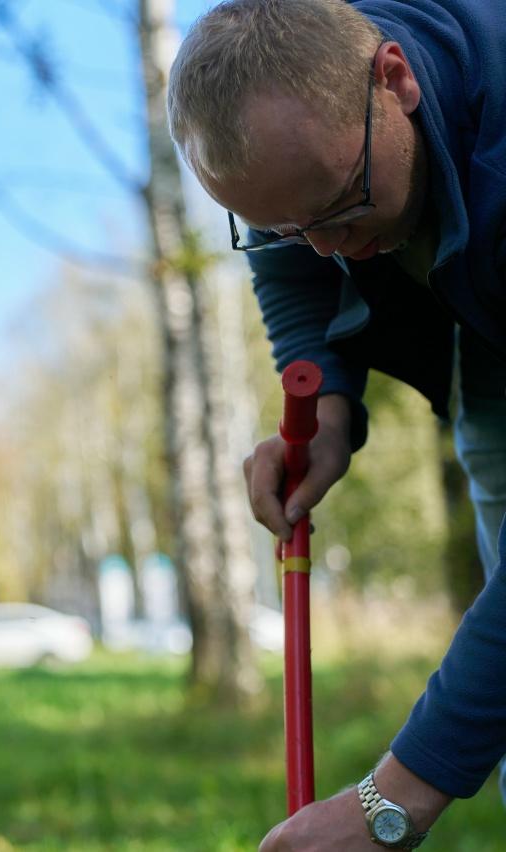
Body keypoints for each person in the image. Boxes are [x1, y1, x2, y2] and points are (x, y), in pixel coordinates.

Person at [168, 1, 506, 848]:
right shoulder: (318, 108)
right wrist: (324, 399)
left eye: (339, 205)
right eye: (282, 228)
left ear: (396, 80)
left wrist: (391, 803)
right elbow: (297, 246)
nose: (325, 252)